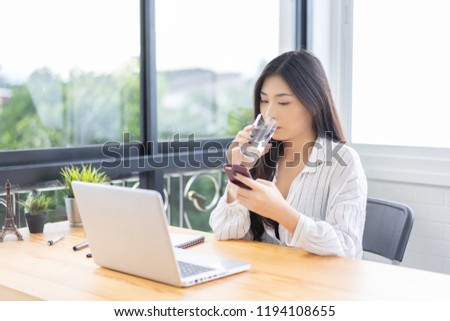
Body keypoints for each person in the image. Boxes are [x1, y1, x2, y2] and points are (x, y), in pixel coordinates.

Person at [209, 50, 367, 259]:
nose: (269, 113)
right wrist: (239, 173)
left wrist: (282, 213)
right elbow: (224, 232)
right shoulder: (261, 155)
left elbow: (348, 249)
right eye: (264, 101)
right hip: (265, 281)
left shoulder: (342, 161)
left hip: (314, 287)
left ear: (314, 102)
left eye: (283, 102)